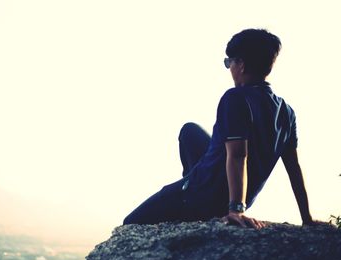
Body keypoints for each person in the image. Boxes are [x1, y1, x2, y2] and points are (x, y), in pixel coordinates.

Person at [123, 28, 319, 229]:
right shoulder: (287, 112)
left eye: (229, 62)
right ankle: (194, 181)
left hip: (209, 197)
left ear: (241, 64)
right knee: (189, 131)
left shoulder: (235, 98)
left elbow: (238, 156)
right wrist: (307, 218)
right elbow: (293, 168)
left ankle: (192, 195)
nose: (229, 69)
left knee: (130, 223)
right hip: (233, 192)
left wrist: (236, 209)